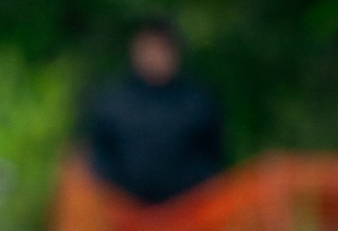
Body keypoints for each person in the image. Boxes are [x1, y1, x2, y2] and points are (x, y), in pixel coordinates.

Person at [80, 18, 228, 212]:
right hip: (124, 214)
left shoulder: (197, 101)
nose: (155, 56)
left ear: (176, 54)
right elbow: (98, 160)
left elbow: (215, 159)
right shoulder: (112, 101)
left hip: (187, 212)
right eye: (149, 48)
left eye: (162, 49)